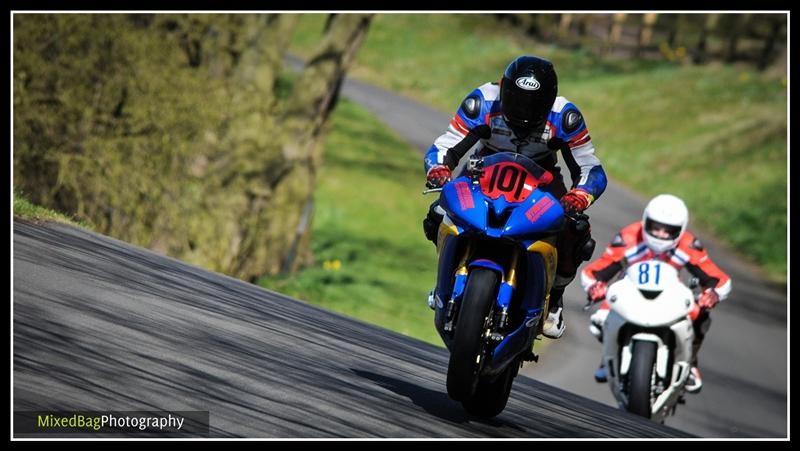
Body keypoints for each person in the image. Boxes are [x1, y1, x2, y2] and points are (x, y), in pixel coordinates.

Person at [422, 55, 608, 339]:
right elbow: (446, 144)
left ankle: (555, 297)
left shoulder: (565, 117)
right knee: (439, 212)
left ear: (550, 100)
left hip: (541, 181)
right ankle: (445, 280)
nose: (525, 111)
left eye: (534, 104)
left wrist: (580, 196)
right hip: (481, 172)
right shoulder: (482, 101)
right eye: (518, 100)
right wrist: (438, 168)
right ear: (504, 89)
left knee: (575, 229)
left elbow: (590, 167)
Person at [580, 194, 732, 393]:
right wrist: (595, 287)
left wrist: (712, 294)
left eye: (668, 230)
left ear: (680, 230)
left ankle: (690, 364)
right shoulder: (629, 237)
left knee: (698, 314)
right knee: (599, 320)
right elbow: (595, 271)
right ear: (645, 221)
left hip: (671, 296)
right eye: (655, 227)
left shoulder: (688, 244)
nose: (660, 234)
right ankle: (610, 356)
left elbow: (718, 278)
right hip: (629, 292)